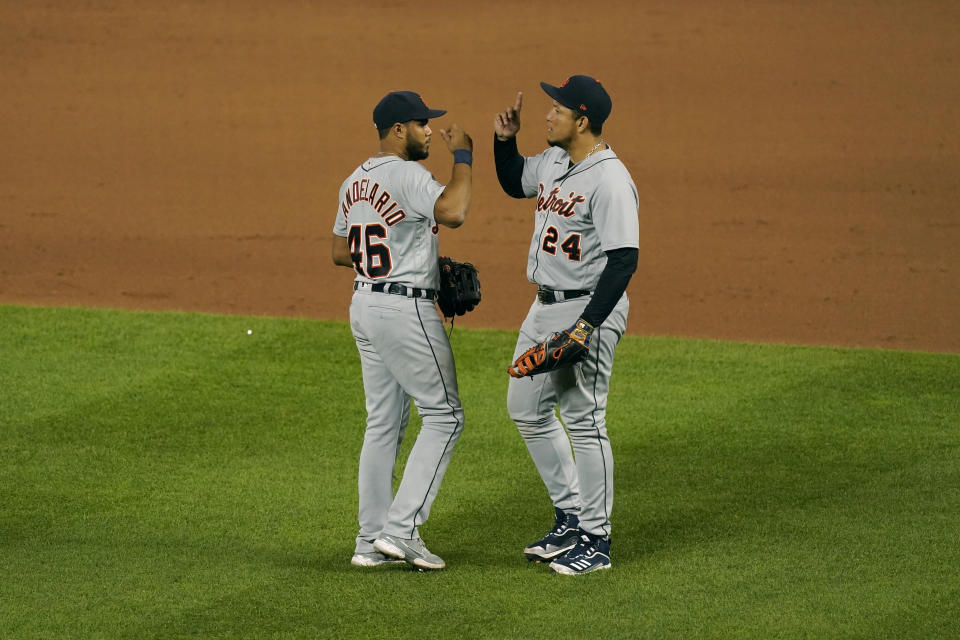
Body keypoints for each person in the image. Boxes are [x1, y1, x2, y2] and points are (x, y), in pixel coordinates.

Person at [493, 75, 639, 575]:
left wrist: (586, 326)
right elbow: (515, 181)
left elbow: (623, 260)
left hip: (589, 308)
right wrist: (503, 140)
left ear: (583, 120)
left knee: (584, 417)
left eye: (557, 109)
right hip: (544, 307)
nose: (547, 115)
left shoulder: (610, 179)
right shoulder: (557, 160)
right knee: (525, 407)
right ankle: (571, 514)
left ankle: (596, 542)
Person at [332, 90, 473, 571]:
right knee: (446, 416)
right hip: (404, 310)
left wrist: (400, 253)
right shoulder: (410, 174)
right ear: (398, 130)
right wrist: (464, 159)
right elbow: (453, 211)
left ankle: (369, 540)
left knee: (383, 424)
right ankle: (402, 530)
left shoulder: (354, 180)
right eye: (421, 123)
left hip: (364, 303)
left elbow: (339, 250)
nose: (429, 129)